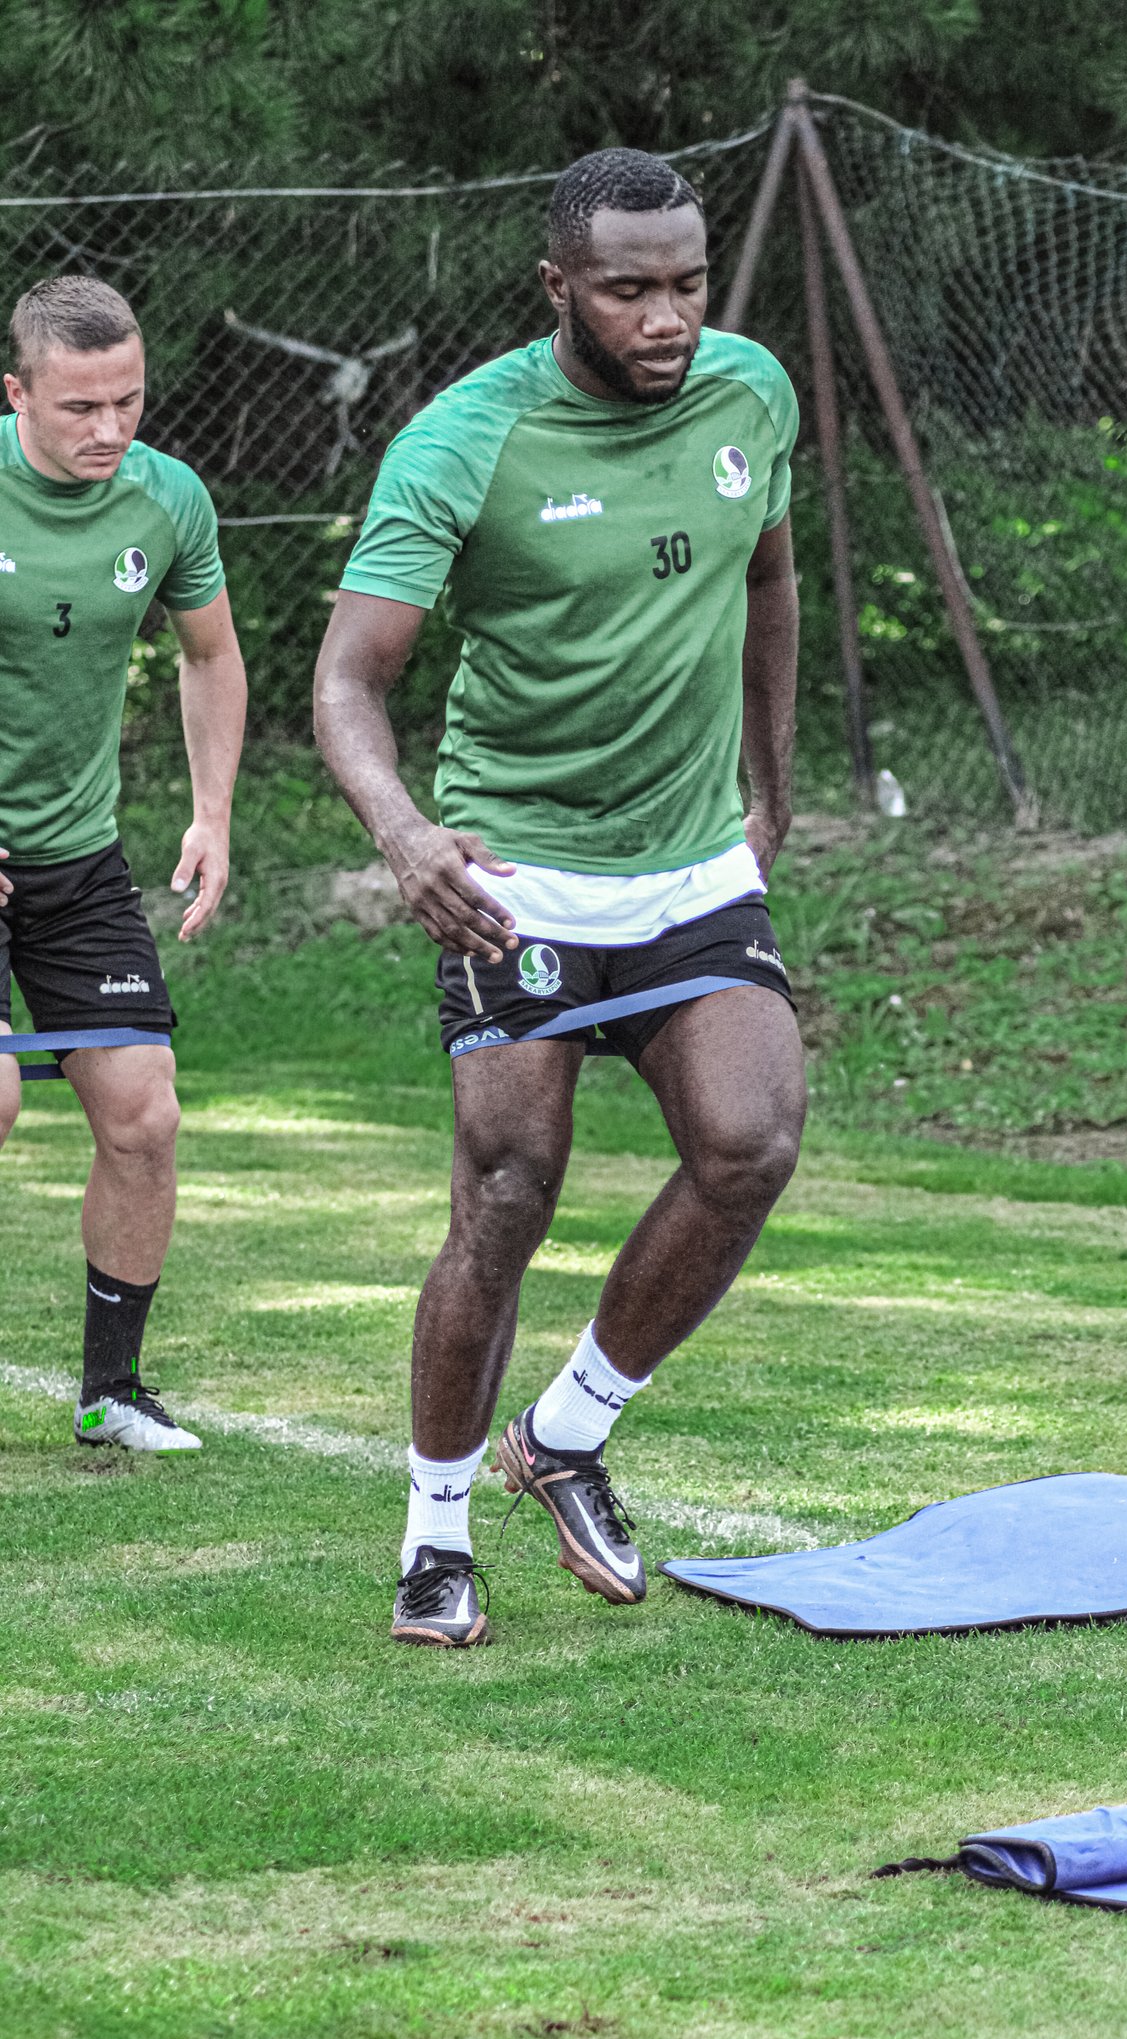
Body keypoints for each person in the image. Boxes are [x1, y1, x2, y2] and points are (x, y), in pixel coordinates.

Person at [315, 147, 805, 1648]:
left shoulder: (749, 395)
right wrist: (406, 834)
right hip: (517, 876)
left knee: (752, 1139)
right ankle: (435, 1533)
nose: (667, 319)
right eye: (628, 290)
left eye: (688, 284)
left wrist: (770, 782)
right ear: (558, 288)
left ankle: (570, 1430)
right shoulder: (464, 442)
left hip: (689, 863)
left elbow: (768, 579)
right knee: (508, 1193)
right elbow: (348, 678)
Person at [0, 277, 247, 1454]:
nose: (109, 429)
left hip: (78, 858)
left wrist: (212, 812)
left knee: (145, 1114)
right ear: (16, 395)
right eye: (79, 407)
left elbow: (210, 654)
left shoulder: (168, 498)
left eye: (129, 401)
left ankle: (113, 1392)